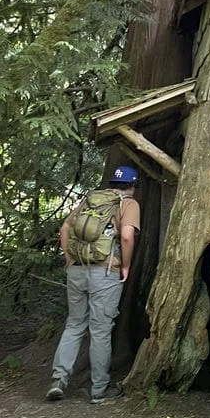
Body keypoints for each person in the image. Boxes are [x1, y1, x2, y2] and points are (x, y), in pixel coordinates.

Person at [46, 165, 141, 404]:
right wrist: (126, 265)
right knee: (99, 330)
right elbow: (127, 236)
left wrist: (69, 257)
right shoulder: (128, 204)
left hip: (77, 270)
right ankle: (99, 389)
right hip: (105, 273)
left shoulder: (91, 199)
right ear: (133, 186)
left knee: (74, 324)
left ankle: (58, 380)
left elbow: (65, 228)